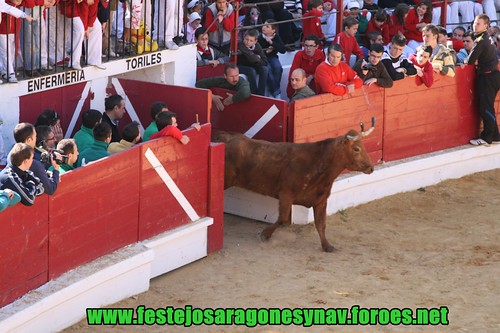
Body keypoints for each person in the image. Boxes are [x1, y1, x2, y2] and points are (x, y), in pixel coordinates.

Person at [466, 14, 500, 145]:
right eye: (475, 22)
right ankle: (496, 136)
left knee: (486, 107)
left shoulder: (481, 40)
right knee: (488, 106)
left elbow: (469, 61)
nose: (475, 25)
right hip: (493, 75)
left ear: (486, 26)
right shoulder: (486, 38)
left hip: (487, 77)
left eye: (478, 23)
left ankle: (487, 137)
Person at [12, 123, 60, 195]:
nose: (36, 139)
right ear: (29, 140)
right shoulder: (34, 163)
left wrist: (46, 173)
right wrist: (56, 169)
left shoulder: (11, 154)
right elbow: (50, 189)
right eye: (35, 136)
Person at [286, 34, 324, 99]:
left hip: (314, 84)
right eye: (306, 45)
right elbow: (293, 73)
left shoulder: (320, 54)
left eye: (311, 46)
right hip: (299, 85)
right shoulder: (299, 55)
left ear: (317, 46)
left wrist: (312, 76)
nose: (308, 48)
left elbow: (322, 71)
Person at [258, 19, 286, 98]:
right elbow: (257, 53)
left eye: (267, 26)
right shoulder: (260, 38)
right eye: (264, 25)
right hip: (263, 59)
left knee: (278, 68)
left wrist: (272, 43)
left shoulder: (276, 37)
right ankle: (276, 93)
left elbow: (283, 50)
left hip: (273, 57)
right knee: (268, 69)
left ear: (273, 30)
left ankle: (273, 91)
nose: (264, 27)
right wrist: (266, 52)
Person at [237, 29, 269, 96]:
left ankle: (261, 94)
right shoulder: (240, 45)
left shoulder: (257, 45)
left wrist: (255, 58)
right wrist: (257, 58)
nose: (248, 42)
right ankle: (254, 93)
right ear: (244, 38)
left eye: (251, 40)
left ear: (255, 41)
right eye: (246, 39)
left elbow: (265, 61)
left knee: (265, 69)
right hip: (240, 65)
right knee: (251, 71)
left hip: (252, 64)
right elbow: (250, 57)